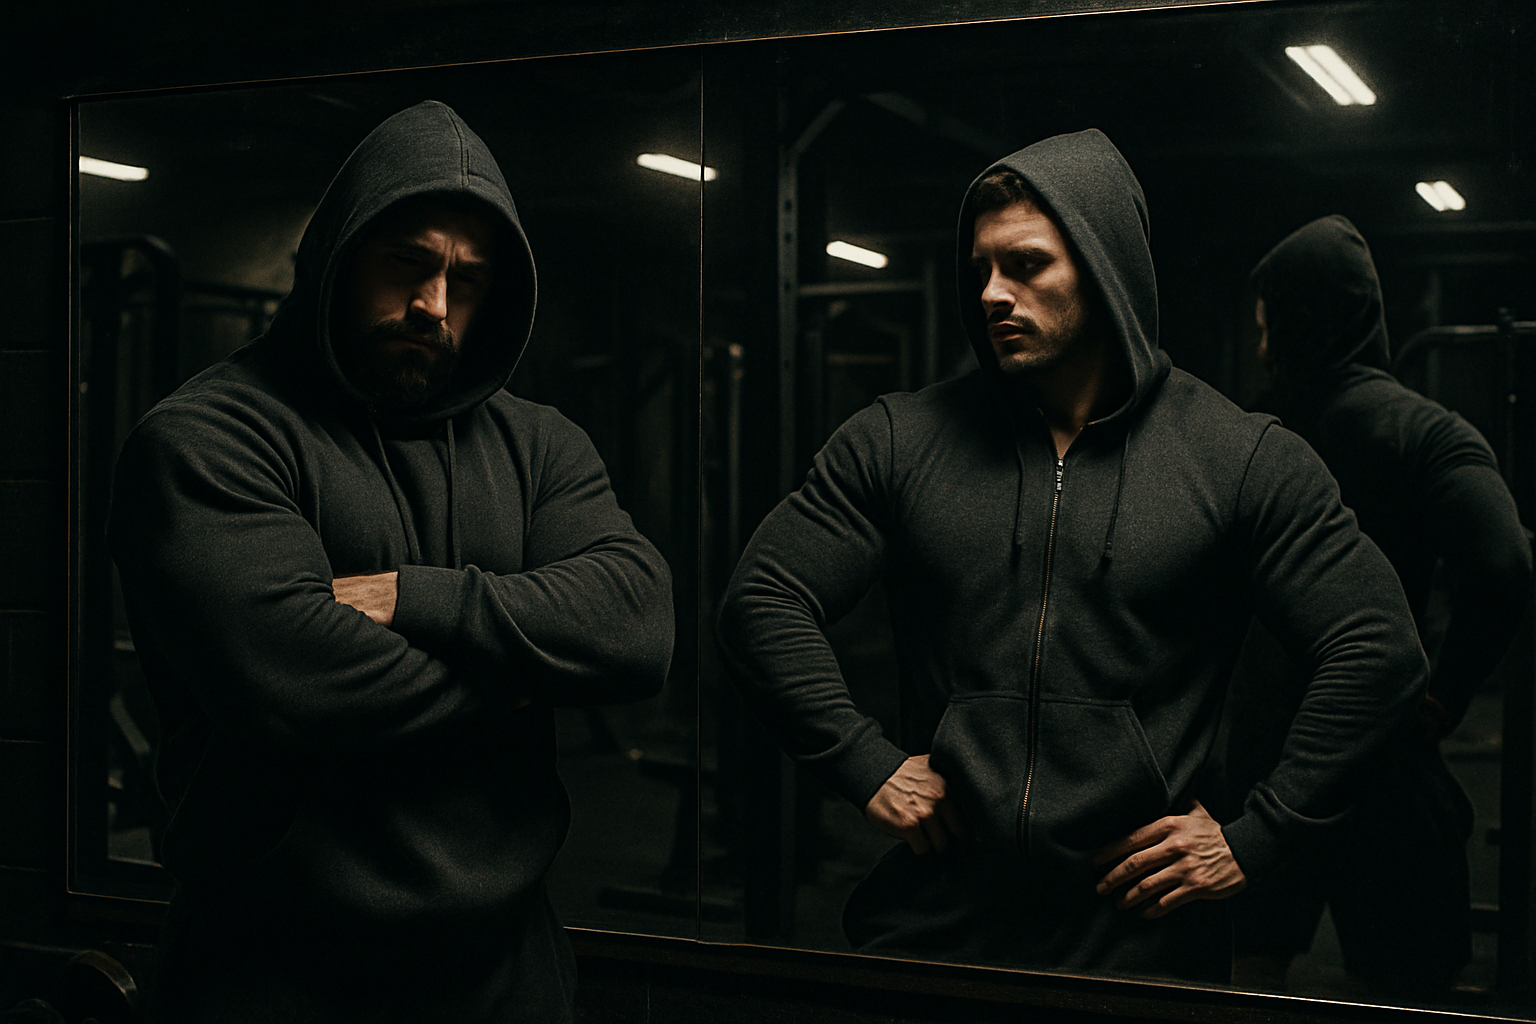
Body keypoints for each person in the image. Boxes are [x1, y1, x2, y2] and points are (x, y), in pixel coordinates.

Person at [716, 130, 1426, 983]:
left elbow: (1377, 646)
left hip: (1140, 943)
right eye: (978, 268)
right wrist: (858, 758)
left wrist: (1259, 835)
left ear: (1104, 267)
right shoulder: (901, 439)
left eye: (1024, 266)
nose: (990, 293)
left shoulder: (1237, 457)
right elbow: (763, 597)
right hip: (931, 929)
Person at [108, 100, 675, 1023]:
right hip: (273, 973)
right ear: (336, 255)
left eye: (469, 280)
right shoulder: (209, 439)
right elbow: (300, 685)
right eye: (406, 264)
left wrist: (423, 599)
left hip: (510, 972)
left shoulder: (541, 446)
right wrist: (534, 668)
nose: (434, 306)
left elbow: (638, 627)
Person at [1224, 214, 1532, 996]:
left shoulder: (1250, 440)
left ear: (1294, 324)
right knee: (1410, 989)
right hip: (1383, 754)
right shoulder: (1425, 433)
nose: (1263, 347)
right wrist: (1447, 691)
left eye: (1268, 327)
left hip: (1266, 759)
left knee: (1245, 975)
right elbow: (1503, 562)